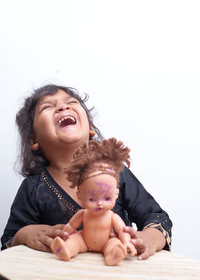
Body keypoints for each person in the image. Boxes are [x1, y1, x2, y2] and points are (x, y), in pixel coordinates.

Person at [1, 84, 172, 260]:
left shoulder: (114, 173)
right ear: (33, 139)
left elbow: (158, 217)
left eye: (71, 102)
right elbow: (8, 239)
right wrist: (25, 234)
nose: (63, 107)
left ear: (90, 127)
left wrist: (149, 238)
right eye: (48, 107)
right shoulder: (33, 187)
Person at [51, 138, 136, 265]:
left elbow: (122, 230)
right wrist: (65, 234)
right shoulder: (82, 214)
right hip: (84, 241)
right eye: (92, 199)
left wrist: (127, 242)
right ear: (80, 196)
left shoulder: (112, 216)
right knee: (75, 240)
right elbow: (71, 226)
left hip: (107, 241)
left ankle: (114, 254)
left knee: (114, 242)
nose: (100, 203)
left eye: (107, 198)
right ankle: (66, 249)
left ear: (116, 194)